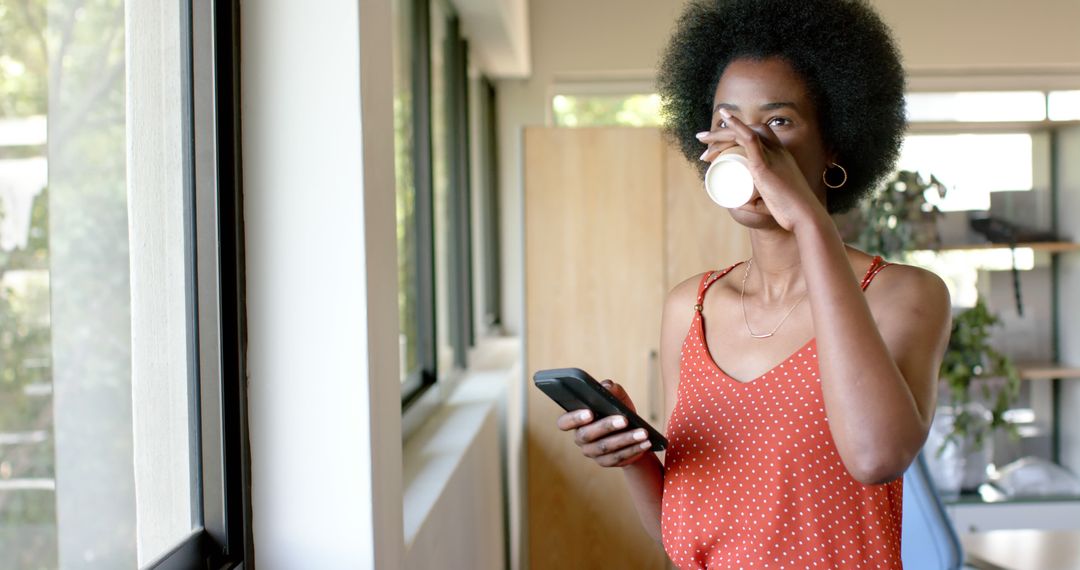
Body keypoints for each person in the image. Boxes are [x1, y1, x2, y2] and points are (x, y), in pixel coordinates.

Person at [553, 0, 953, 567]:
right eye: (726, 121)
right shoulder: (688, 308)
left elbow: (875, 457)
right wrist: (633, 456)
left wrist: (808, 218)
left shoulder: (903, 296)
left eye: (778, 121)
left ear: (834, 144)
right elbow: (684, 533)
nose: (747, 144)